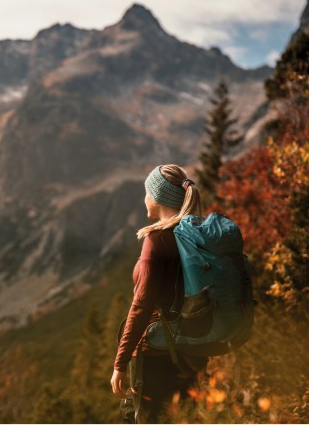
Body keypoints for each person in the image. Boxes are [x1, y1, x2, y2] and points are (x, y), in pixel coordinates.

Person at [110, 164, 208, 423]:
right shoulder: (196, 234)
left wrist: (120, 364)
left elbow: (142, 305)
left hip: (157, 356)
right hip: (194, 349)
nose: (144, 198)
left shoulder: (157, 241)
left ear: (158, 196)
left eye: (146, 192)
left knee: (141, 418)